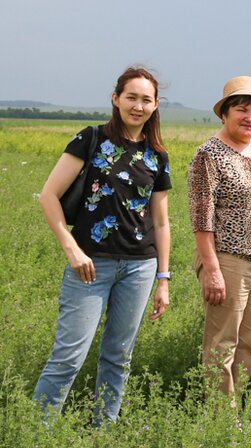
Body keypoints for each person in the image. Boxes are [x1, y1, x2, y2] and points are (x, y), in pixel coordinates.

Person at [33, 67, 171, 426]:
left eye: (146, 99)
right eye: (131, 97)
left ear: (156, 105)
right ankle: (35, 435)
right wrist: (71, 248)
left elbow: (160, 222)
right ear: (116, 99)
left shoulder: (157, 155)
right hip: (90, 265)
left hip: (139, 267)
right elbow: (48, 196)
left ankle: (102, 434)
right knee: (68, 356)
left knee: (118, 356)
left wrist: (163, 278)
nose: (138, 106)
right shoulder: (90, 139)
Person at [188, 76, 251, 398]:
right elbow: (202, 219)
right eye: (242, 110)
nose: (250, 118)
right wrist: (212, 270)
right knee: (222, 344)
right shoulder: (210, 154)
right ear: (225, 113)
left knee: (249, 343)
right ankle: (221, 419)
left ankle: (236, 408)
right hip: (230, 262)